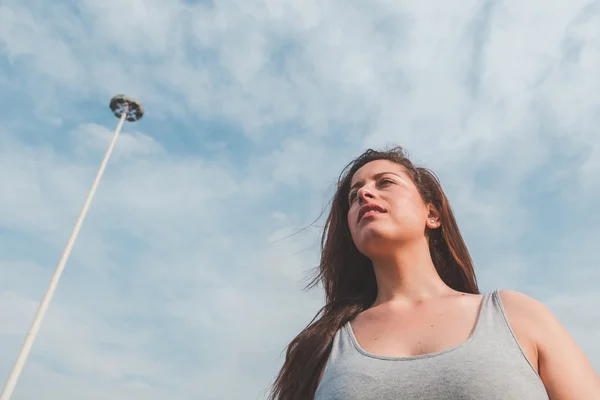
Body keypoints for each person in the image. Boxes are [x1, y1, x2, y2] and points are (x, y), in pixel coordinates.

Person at [269, 147, 600, 399]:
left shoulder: (516, 315)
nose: (365, 195)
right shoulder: (323, 346)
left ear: (432, 213)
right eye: (354, 197)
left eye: (384, 183)